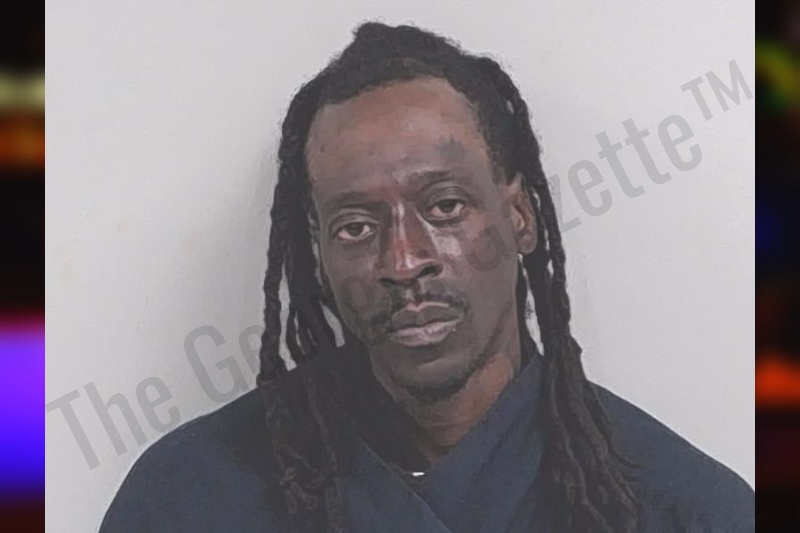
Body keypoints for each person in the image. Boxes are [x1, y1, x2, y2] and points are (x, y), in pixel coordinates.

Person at [100, 22, 754, 533]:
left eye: (445, 207)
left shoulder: (684, 511)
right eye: (355, 226)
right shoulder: (189, 499)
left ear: (519, 216)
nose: (404, 261)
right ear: (319, 257)